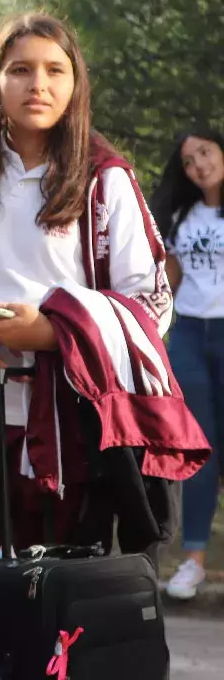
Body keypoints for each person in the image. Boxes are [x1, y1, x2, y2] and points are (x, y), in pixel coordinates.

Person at [0, 13, 207, 646]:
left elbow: (152, 301)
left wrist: (54, 332)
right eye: (20, 70)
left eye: (55, 70)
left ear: (75, 84)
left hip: (68, 423)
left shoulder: (106, 177)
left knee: (52, 602)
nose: (37, 85)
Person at [151, 130, 224, 601]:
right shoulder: (181, 216)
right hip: (191, 336)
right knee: (201, 449)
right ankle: (193, 560)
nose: (198, 164)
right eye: (189, 160)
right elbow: (168, 282)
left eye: (205, 152)